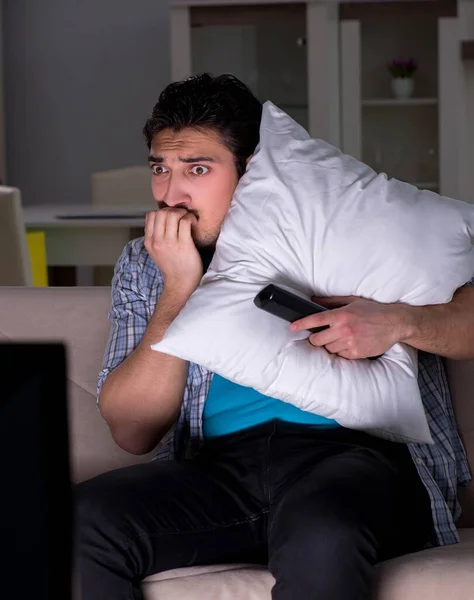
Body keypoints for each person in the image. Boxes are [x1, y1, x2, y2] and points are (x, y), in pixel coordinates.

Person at [77, 73, 474, 600]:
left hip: (354, 462)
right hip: (219, 471)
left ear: (252, 171)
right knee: (79, 521)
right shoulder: (145, 265)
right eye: (160, 169)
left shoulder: (350, 229)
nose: (171, 195)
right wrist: (178, 289)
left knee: (322, 532)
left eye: (197, 168)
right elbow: (131, 431)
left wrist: (399, 322)